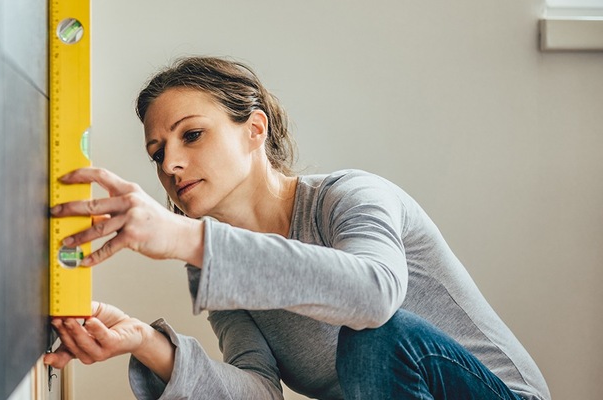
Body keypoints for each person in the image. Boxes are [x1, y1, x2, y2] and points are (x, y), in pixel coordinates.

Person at [43, 56, 550, 400]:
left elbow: (375, 297)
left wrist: (184, 238)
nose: (171, 164)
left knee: (373, 335)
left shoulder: (350, 196)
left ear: (255, 131)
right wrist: (145, 344)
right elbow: (260, 391)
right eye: (157, 153)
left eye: (191, 135)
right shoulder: (216, 268)